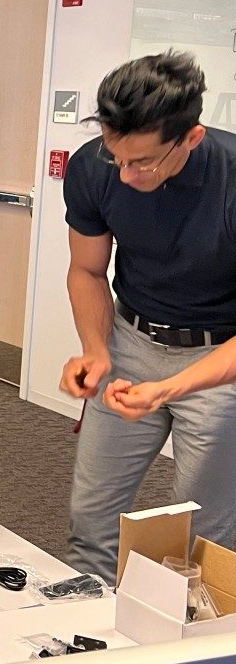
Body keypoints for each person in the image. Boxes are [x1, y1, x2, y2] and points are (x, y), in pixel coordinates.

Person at [60, 50, 236, 584]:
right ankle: (85, 622)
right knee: (92, 522)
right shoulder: (93, 167)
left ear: (191, 138)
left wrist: (169, 388)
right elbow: (87, 271)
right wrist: (97, 350)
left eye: (144, 162)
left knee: (201, 539)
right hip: (130, 340)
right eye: (117, 156)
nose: (126, 174)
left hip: (219, 357)